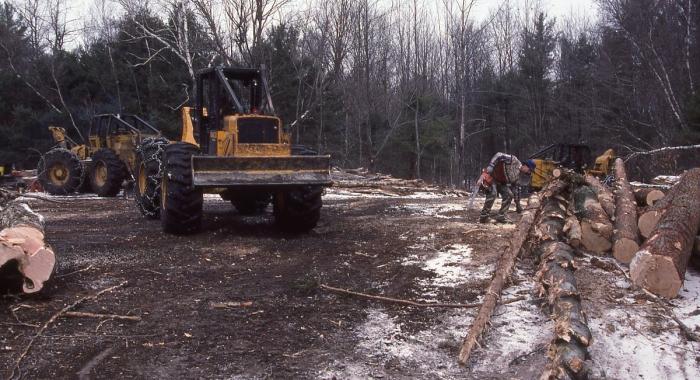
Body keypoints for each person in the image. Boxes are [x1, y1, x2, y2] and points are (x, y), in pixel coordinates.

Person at [478, 153, 535, 223]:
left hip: (501, 183)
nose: (529, 172)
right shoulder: (513, 160)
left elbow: (516, 190)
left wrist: (518, 204)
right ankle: (484, 217)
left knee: (509, 194)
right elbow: (499, 155)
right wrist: (491, 165)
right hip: (492, 177)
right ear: (526, 166)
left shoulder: (518, 176)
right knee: (493, 193)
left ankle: (501, 216)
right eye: (529, 170)